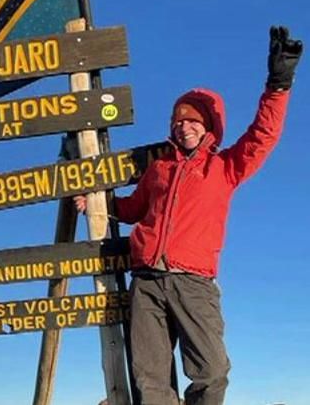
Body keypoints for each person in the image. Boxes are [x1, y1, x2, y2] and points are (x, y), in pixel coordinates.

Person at [75, 26, 302, 404]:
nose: (184, 126)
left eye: (193, 120)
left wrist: (278, 84)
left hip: (194, 283)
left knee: (212, 372)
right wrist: (99, 202)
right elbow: (131, 209)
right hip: (146, 282)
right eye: (179, 121)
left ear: (209, 127)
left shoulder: (225, 167)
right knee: (150, 380)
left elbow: (263, 135)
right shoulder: (158, 170)